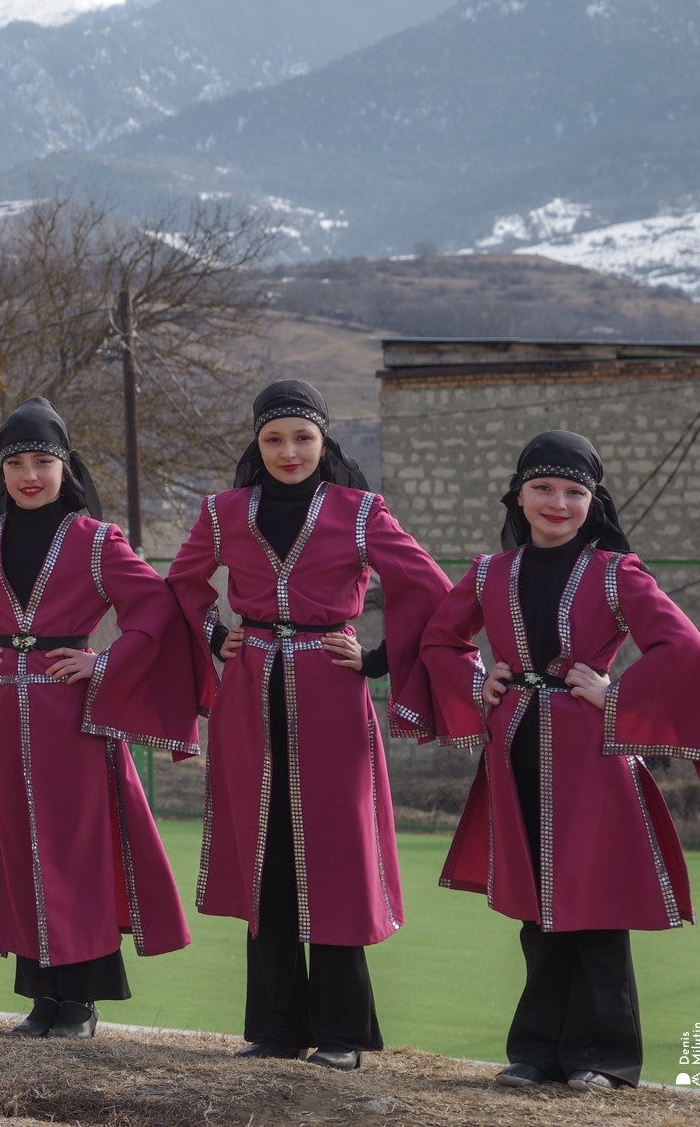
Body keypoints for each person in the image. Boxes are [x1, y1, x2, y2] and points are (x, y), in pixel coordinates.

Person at [401, 431, 700, 1092]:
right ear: (519, 496)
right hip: (514, 752)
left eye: (575, 492)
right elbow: (440, 637)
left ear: (593, 501)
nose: (558, 502)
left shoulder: (616, 571)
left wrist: (618, 694)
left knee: (597, 908)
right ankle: (537, 1053)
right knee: (537, 910)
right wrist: (477, 684)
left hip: (594, 759)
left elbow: (683, 648)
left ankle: (604, 1059)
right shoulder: (490, 573)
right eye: (544, 489)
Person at [166, 381, 450, 1070]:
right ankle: (275, 1030)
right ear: (256, 444)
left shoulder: (360, 512)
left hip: (332, 689)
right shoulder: (224, 511)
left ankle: (345, 1035)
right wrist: (213, 633)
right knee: (262, 851)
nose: (288, 452)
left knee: (334, 855)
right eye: (273, 439)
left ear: (324, 441)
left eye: (301, 438)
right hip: (250, 687)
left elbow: (433, 589)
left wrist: (379, 658)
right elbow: (182, 583)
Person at [0, 399, 206, 1039]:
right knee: (21, 851)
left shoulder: (97, 541)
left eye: (43, 461)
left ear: (66, 467)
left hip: (78, 721)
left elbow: (155, 609)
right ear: (1, 471)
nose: (29, 475)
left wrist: (102, 663)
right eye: (15, 463)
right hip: (8, 722)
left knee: (79, 854)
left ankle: (82, 1003)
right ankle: (42, 1000)